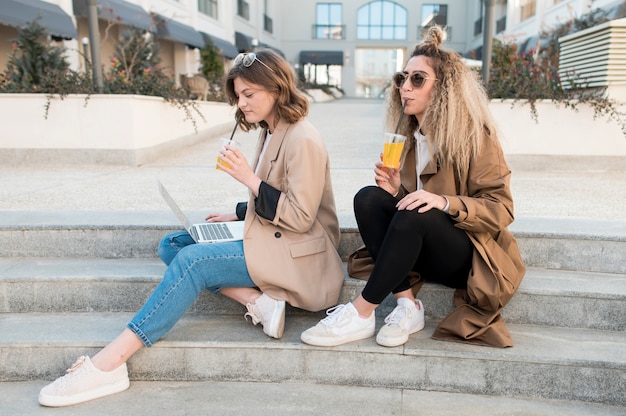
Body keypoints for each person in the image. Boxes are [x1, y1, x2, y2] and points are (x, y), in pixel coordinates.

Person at [39, 49, 345, 407]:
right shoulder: (270, 130)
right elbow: (281, 196)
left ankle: (111, 363)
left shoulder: (302, 138)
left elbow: (300, 216)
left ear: (276, 89)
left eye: (249, 94)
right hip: (274, 238)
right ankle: (259, 303)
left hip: (300, 256)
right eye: (238, 96)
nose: (241, 103)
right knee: (173, 244)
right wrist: (239, 212)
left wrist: (247, 176)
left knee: (192, 261)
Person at [301, 26, 526, 349]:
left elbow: (501, 209)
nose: (405, 87)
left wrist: (444, 202)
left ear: (444, 88)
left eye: (417, 79)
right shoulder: (409, 138)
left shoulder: (475, 137)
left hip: (467, 256)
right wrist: (395, 191)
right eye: (402, 78)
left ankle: (361, 312)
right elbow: (413, 206)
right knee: (368, 198)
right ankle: (408, 306)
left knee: (416, 214)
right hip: (420, 244)